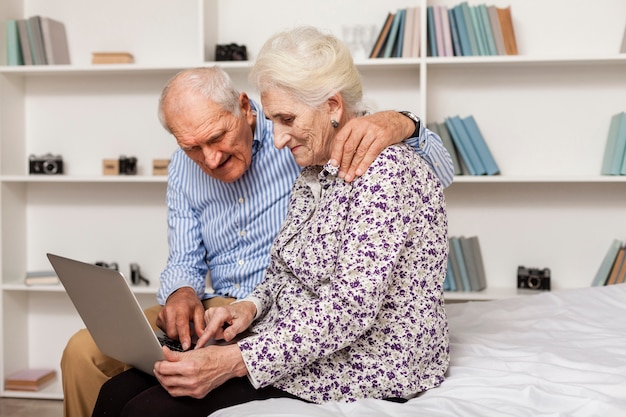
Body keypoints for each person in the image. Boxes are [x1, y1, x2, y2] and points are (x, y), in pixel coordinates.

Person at [91, 25, 449, 417]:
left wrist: (233, 360)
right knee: (115, 393)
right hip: (299, 338)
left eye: (286, 119)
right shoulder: (313, 170)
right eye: (272, 120)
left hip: (363, 361)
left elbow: (351, 308)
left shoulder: (385, 171)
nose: (277, 139)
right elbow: (283, 274)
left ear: (332, 106)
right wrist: (248, 306)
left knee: (147, 410)